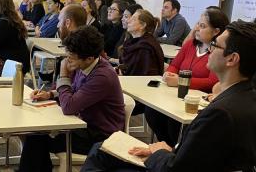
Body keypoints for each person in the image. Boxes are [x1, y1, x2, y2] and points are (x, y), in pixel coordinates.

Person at [82, 20, 256, 172]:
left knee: (101, 152)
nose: (210, 49)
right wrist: (169, 149)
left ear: (232, 59)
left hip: (171, 165)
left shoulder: (221, 112)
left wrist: (160, 153)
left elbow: (176, 168)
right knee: (102, 149)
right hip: (177, 159)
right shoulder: (245, 97)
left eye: (215, 45)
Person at [18, 26, 125, 172]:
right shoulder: (86, 65)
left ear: (89, 58)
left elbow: (69, 107)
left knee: (37, 137)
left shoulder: (102, 76)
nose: (67, 61)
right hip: (81, 124)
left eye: (71, 57)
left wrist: (63, 74)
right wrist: (50, 94)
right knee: (36, 134)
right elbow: (74, 89)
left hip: (100, 136)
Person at [145, 8, 229, 146]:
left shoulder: (218, 52)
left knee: (174, 123)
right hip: (176, 93)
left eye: (202, 26)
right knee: (152, 112)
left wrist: (181, 81)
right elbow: (175, 65)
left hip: (198, 99)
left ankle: (174, 150)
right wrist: (170, 73)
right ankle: (165, 146)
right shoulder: (190, 45)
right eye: (197, 24)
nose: (197, 29)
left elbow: (211, 81)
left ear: (216, 31)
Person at [119, 9, 164, 76]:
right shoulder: (132, 41)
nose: (128, 21)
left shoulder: (145, 47)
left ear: (142, 25)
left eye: (133, 19)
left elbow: (141, 75)